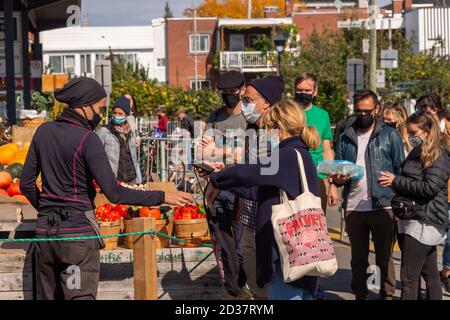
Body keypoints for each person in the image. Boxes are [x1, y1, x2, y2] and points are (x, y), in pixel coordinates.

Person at [19, 77, 194, 300]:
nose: (102, 114)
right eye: (100, 108)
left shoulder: (43, 132)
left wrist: (47, 208)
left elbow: (26, 183)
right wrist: (163, 195)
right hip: (76, 239)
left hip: (45, 236)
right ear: (85, 105)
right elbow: (114, 192)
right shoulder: (88, 139)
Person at [205, 99, 321, 300]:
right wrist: (226, 182)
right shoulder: (301, 154)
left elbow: (247, 174)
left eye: (269, 128)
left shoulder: (286, 156)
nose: (267, 135)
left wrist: (217, 180)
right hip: (301, 251)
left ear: (280, 127)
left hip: (285, 255)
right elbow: (259, 191)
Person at [333, 89, 405, 300]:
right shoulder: (346, 135)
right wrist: (338, 179)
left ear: (376, 109)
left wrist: (396, 189)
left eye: (367, 110)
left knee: (384, 258)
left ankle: (387, 294)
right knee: (358, 259)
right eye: (358, 111)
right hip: (354, 206)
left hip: (383, 204)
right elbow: (337, 168)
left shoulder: (390, 135)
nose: (362, 115)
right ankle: (360, 295)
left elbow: (401, 171)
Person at [379, 111, 450, 300]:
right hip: (416, 218)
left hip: (423, 221)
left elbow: (429, 188)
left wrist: (395, 181)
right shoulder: (421, 150)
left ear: (427, 131)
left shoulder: (438, 154)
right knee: (430, 273)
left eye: (414, 133)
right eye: (409, 133)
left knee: (409, 277)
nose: (411, 137)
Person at [414, 92, 450, 295]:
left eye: (425, 111)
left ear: (435, 109)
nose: (423, 114)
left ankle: (446, 271)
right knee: (426, 238)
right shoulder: (420, 129)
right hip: (427, 191)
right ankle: (422, 281)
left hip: (447, 190)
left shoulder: (447, 128)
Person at [294, 73, 339, 211]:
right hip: (293, 176)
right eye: (299, 90)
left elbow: (327, 151)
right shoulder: (287, 112)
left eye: (307, 90)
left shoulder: (323, 115)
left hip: (317, 177)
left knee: (316, 225)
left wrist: (333, 184)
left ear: (315, 92)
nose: (303, 93)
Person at [96, 96, 142, 185]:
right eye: (115, 113)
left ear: (126, 115)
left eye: (120, 113)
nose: (117, 116)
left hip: (131, 179)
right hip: (114, 181)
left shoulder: (131, 132)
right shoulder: (104, 131)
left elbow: (133, 157)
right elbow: (97, 156)